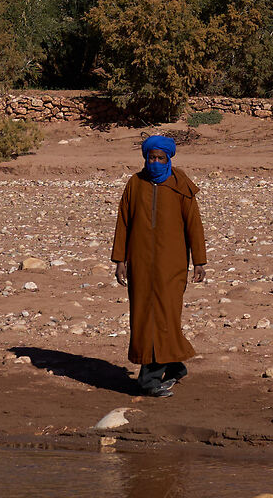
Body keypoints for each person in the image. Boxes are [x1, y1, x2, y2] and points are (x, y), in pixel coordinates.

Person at [112, 133, 206, 397]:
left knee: (164, 316)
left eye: (159, 158)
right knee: (144, 318)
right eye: (150, 157)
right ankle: (174, 366)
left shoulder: (181, 186)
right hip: (140, 265)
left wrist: (199, 261)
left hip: (172, 266)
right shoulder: (135, 184)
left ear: (168, 159)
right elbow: (124, 222)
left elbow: (194, 226)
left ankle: (149, 381)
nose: (154, 162)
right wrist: (120, 259)